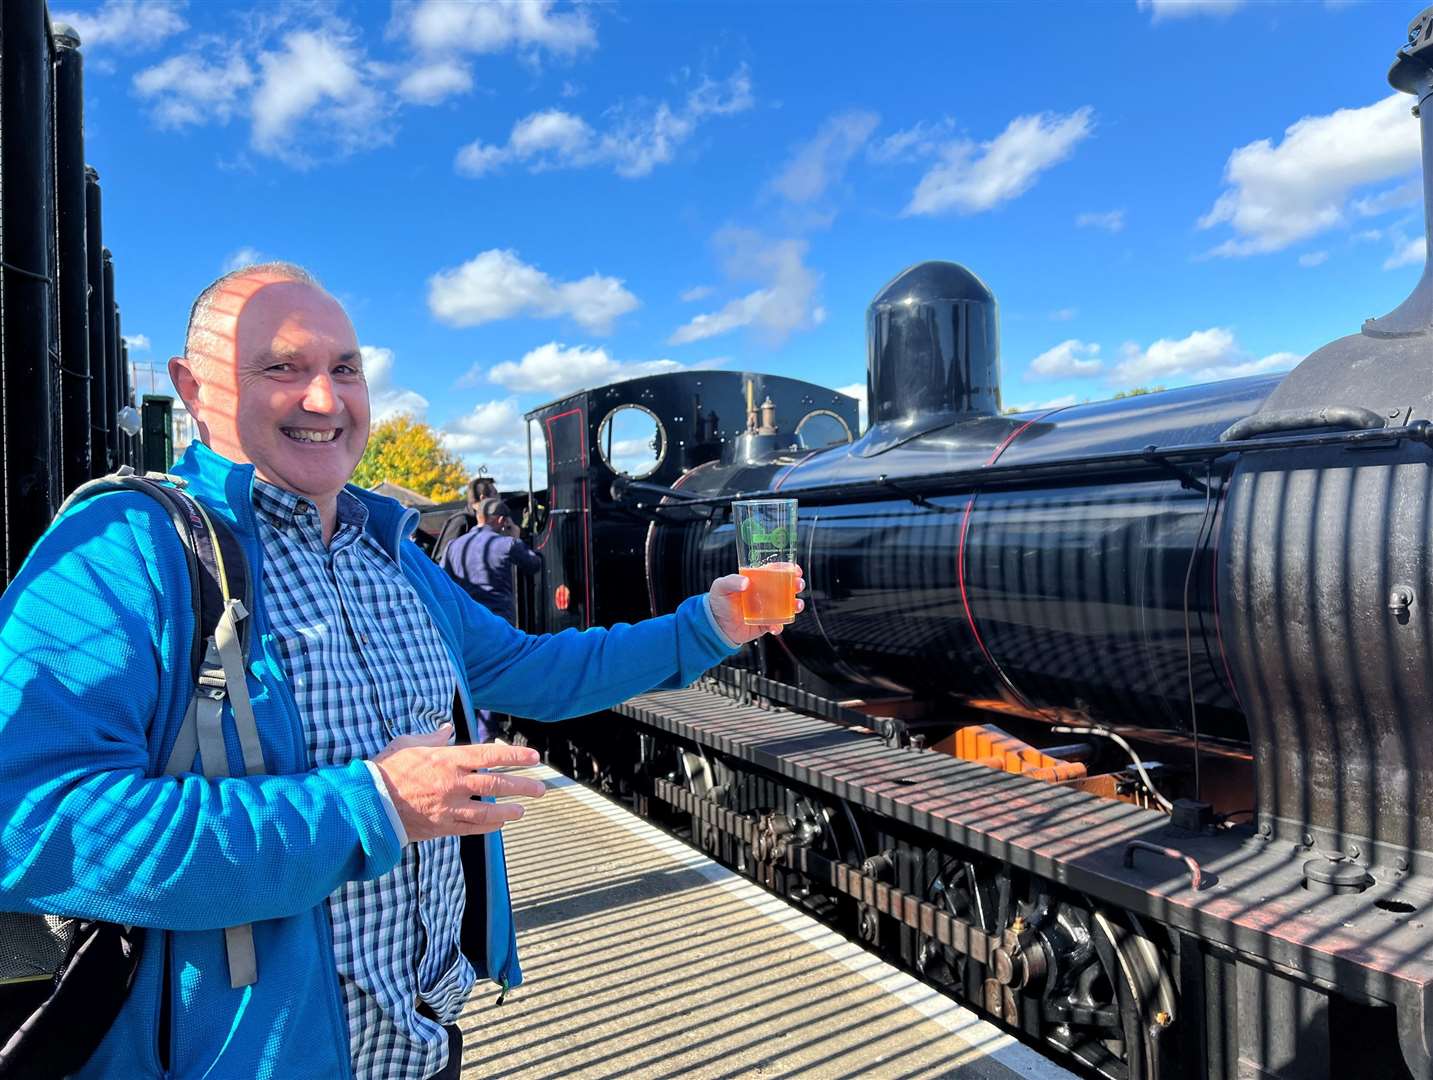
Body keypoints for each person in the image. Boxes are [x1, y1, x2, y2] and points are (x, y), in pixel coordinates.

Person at [0, 262, 804, 1080]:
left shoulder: (395, 557)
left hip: (422, 1044)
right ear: (193, 387)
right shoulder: (120, 549)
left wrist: (707, 625)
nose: (325, 399)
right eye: (282, 367)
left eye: (344, 369)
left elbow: (536, 670)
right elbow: (29, 820)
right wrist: (370, 805)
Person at [440, 495, 542, 742]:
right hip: (496, 621)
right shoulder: (506, 544)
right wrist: (516, 535)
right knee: (492, 673)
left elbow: (441, 578)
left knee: (467, 675)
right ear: (501, 520)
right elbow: (535, 564)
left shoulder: (454, 546)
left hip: (463, 623)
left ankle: (466, 734)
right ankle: (485, 737)